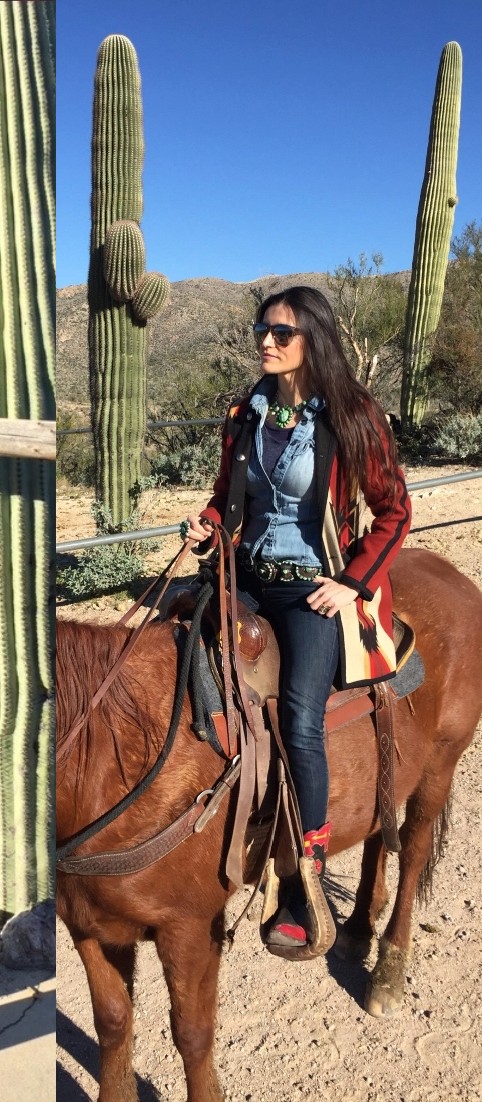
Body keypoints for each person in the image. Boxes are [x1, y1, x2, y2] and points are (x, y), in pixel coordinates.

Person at [186, 286, 411, 951]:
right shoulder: (246, 413)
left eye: (282, 333)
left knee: (299, 718)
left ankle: (301, 871)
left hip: (313, 588)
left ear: (314, 340)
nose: (267, 341)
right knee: (180, 665)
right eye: (262, 329)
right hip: (245, 577)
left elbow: (395, 510)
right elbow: (227, 495)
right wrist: (209, 524)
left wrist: (349, 584)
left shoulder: (352, 416)